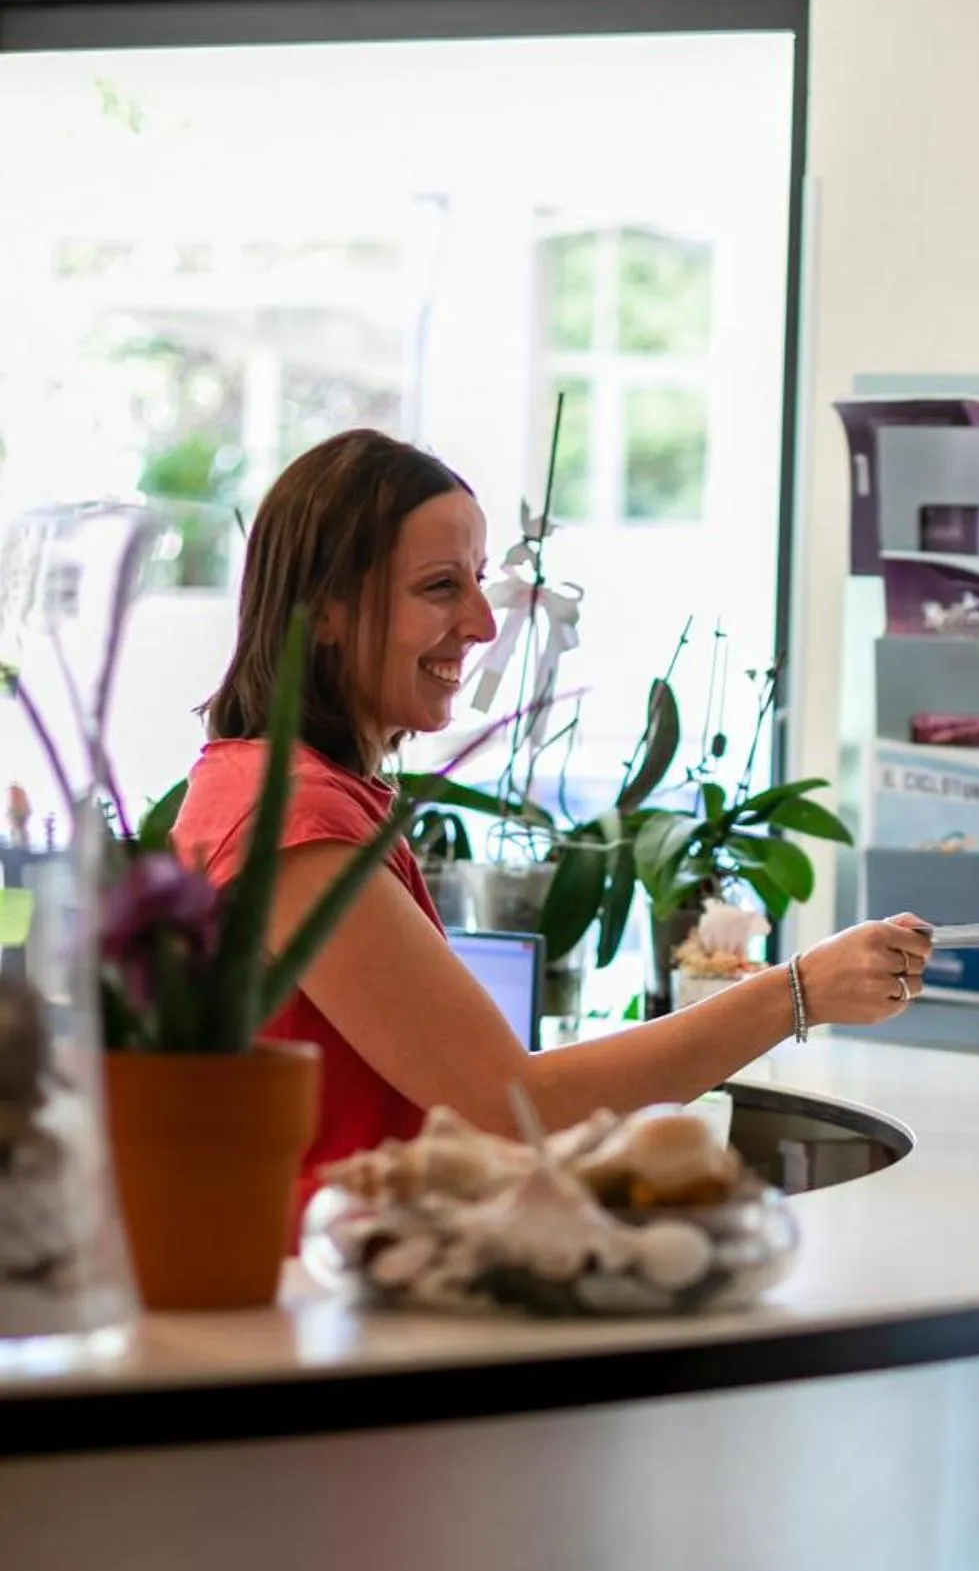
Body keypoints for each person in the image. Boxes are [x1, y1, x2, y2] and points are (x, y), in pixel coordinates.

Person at [174, 430, 931, 1203]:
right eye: (440, 587)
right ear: (324, 613)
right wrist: (794, 993)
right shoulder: (296, 820)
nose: (482, 621)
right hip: (316, 1294)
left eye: (476, 579)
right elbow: (510, 1108)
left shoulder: (283, 792)